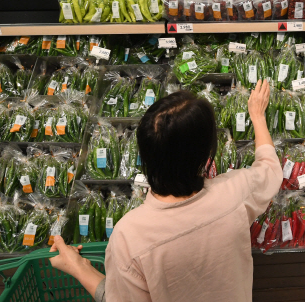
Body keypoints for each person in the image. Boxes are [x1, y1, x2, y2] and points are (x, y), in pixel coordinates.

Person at [49, 80, 282, 302]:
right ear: (206, 152)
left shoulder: (129, 236)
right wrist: (258, 117)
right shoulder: (235, 191)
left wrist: (79, 268)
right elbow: (270, 168)